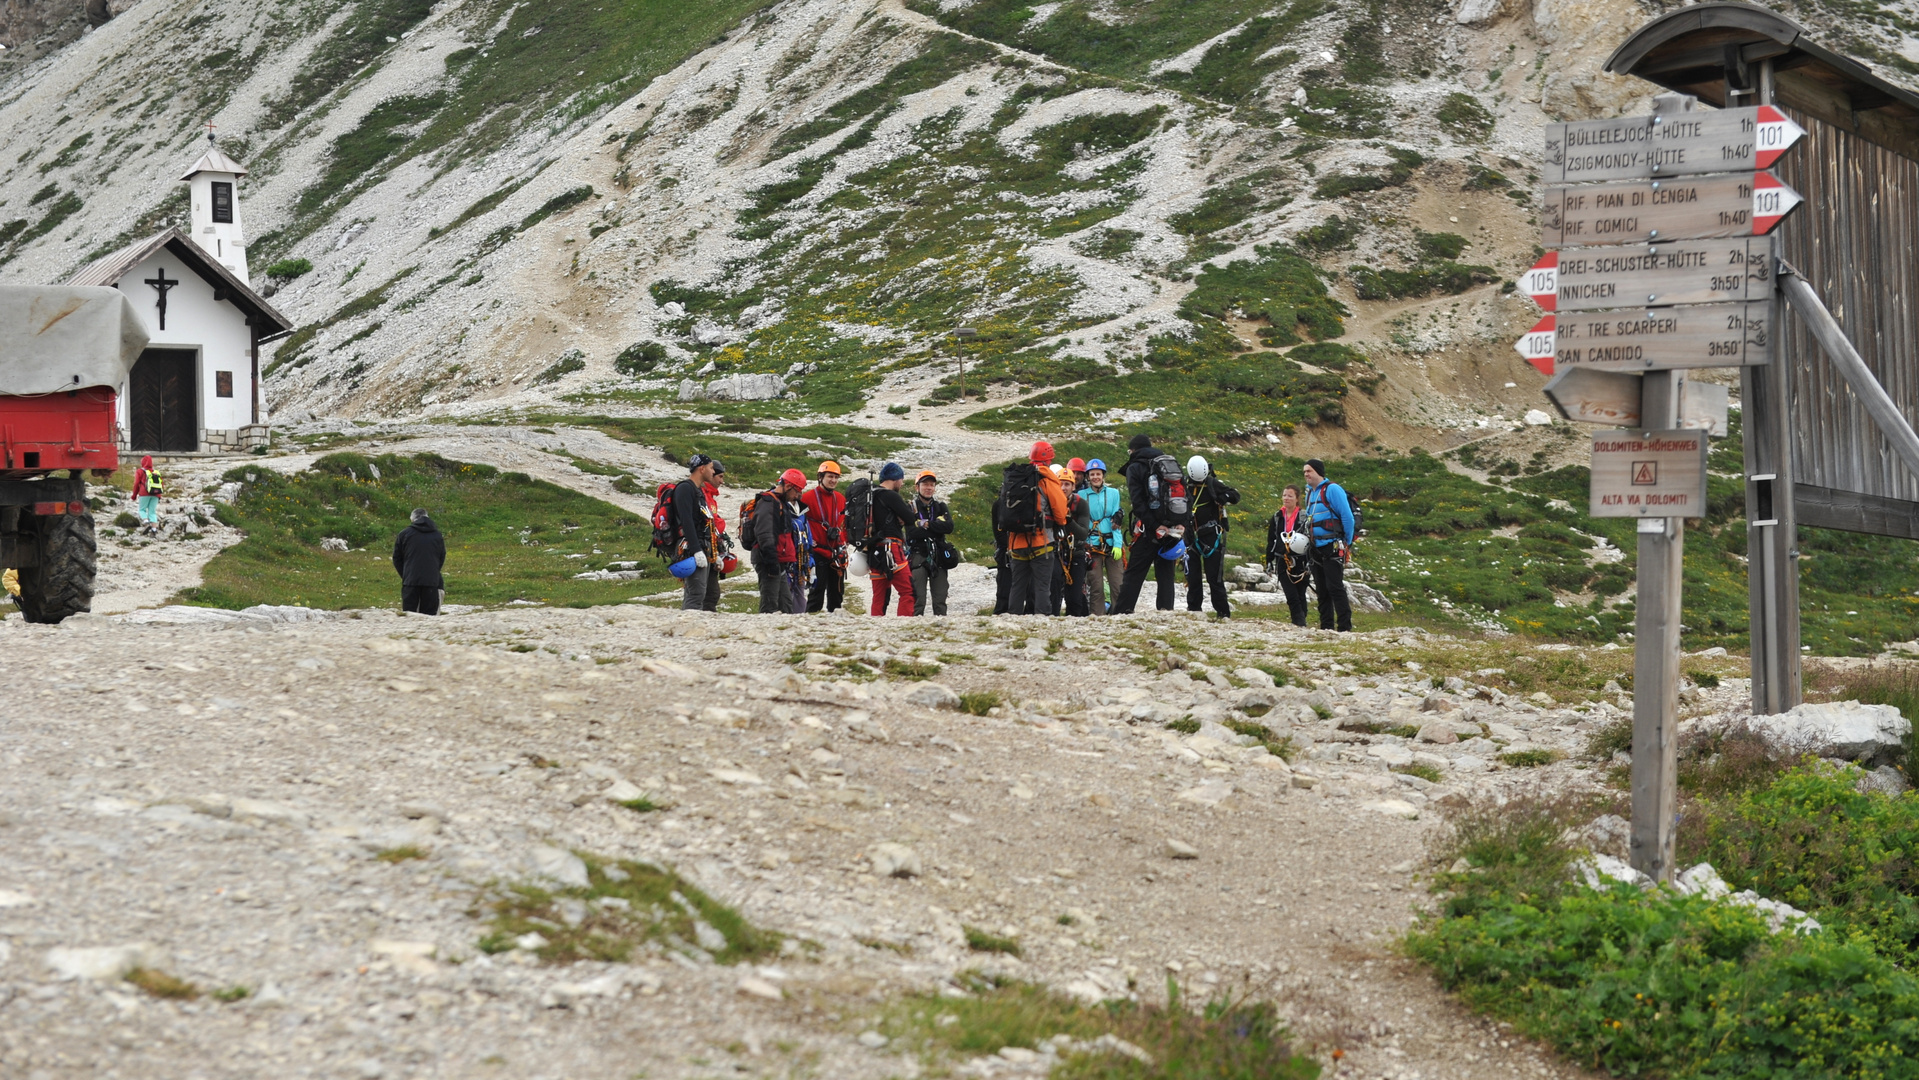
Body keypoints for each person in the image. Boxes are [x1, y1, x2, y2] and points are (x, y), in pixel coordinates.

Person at [1110, 434, 1185, 614]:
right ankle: (1165, 612)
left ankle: (1122, 613)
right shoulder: (1169, 464)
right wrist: (1182, 523)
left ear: (1133, 450)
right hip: (1173, 528)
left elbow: (1138, 503)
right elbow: (1184, 496)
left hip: (1149, 530)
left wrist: (1154, 525)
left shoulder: (1135, 467)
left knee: (1134, 574)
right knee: (1166, 574)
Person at [1005, 441, 1070, 615]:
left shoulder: (1017, 477)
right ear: (1049, 459)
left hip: (1016, 543)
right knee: (1042, 585)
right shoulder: (1047, 480)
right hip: (1042, 542)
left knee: (1017, 585)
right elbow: (1060, 512)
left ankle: (1012, 619)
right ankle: (1042, 620)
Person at [1302, 458, 1355, 632]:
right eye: (1304, 472)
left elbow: (1347, 517)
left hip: (1332, 545)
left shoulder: (1332, 489)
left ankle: (1344, 628)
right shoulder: (1310, 493)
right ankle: (1326, 627)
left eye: (1309, 471)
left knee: (1335, 587)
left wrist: (1346, 542)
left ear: (1318, 471)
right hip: (1315, 547)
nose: (1306, 474)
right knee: (1322, 589)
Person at [1184, 455, 1240, 618]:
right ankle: (1194, 610)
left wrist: (1223, 498)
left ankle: (1223, 613)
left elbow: (1234, 495)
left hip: (1211, 538)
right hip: (1190, 537)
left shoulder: (1212, 484)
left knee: (1214, 578)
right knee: (1193, 577)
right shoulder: (1185, 485)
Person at [750, 469, 808, 613]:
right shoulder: (768, 502)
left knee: (786, 604)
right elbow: (764, 534)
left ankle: (783, 632)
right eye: (797, 491)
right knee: (770, 603)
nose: (798, 496)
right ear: (788, 486)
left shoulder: (780, 503)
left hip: (779, 562)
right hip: (769, 561)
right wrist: (772, 563)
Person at [868, 462, 917, 616]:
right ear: (895, 479)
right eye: (901, 480)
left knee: (880, 595)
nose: (901, 484)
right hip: (892, 550)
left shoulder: (871, 496)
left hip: (873, 551)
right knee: (908, 591)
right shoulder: (890, 495)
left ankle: (876, 627)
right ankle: (902, 627)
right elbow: (910, 518)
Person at [674, 454, 722, 610]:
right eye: (710, 468)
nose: (713, 472)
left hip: (704, 549)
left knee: (705, 593)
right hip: (693, 551)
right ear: (702, 469)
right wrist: (696, 550)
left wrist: (716, 553)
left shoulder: (698, 491)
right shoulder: (685, 489)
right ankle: (687, 627)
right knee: (695, 594)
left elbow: (707, 522)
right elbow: (686, 521)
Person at [1079, 459, 1124, 615]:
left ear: (1103, 475)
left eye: (1098, 474)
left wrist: (1118, 545)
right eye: (1092, 474)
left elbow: (1116, 522)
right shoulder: (1081, 495)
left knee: (1117, 584)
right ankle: (1096, 618)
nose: (1095, 477)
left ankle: (1120, 615)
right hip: (1091, 545)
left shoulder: (1113, 494)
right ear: (1088, 477)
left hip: (1110, 543)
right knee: (1096, 586)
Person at [801, 461, 847, 613]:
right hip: (817, 552)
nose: (833, 480)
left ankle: (835, 625)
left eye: (836, 477)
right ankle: (810, 623)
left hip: (835, 553)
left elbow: (844, 523)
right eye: (830, 476)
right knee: (816, 591)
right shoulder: (807, 498)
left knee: (837, 593)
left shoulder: (840, 499)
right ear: (821, 477)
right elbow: (798, 521)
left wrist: (843, 543)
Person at [907, 470, 954, 616]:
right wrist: (936, 526)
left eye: (931, 485)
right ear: (917, 487)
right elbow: (911, 532)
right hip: (918, 556)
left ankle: (941, 630)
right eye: (925, 484)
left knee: (940, 599)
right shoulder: (910, 507)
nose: (929, 488)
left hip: (938, 556)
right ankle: (913, 631)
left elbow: (949, 527)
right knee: (917, 599)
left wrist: (925, 524)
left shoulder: (941, 506)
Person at [1265, 484, 1312, 627]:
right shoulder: (1277, 517)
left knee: (1300, 593)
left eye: (1290, 496)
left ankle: (1301, 620)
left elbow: (1311, 539)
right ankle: (1298, 621)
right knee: (1290, 594)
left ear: (1297, 499)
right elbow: (1271, 539)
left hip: (1301, 560)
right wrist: (1269, 560)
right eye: (1284, 495)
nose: (1286, 498)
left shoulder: (1304, 517)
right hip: (1282, 558)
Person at [392, 507, 446, 615]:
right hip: (432, 582)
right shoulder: (437, 535)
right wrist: (434, 571)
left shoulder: (404, 534)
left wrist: (406, 574)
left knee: (410, 616)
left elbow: (397, 558)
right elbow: (441, 556)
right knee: (429, 617)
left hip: (411, 582)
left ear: (412, 519)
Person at [1053, 463, 1091, 617]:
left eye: (1067, 484)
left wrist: (1068, 521)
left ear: (1073, 487)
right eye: (1060, 484)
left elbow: (1083, 533)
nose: (1063, 488)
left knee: (1075, 596)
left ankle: (1076, 624)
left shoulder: (1081, 504)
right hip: (1056, 553)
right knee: (1053, 592)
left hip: (1076, 552)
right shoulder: (1050, 503)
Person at [702, 462, 731, 613]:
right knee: (708, 594)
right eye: (720, 476)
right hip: (703, 549)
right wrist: (721, 523)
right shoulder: (702, 494)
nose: (722, 481)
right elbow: (710, 523)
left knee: (710, 593)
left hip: (709, 549)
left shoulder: (710, 495)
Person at [132, 455, 161, 535]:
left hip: (144, 493)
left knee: (142, 510)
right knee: (152, 512)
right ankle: (154, 530)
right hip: (156, 494)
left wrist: (134, 495)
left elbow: (136, 484)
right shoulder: (156, 472)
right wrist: (159, 496)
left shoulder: (140, 471)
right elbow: (161, 484)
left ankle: (146, 522)